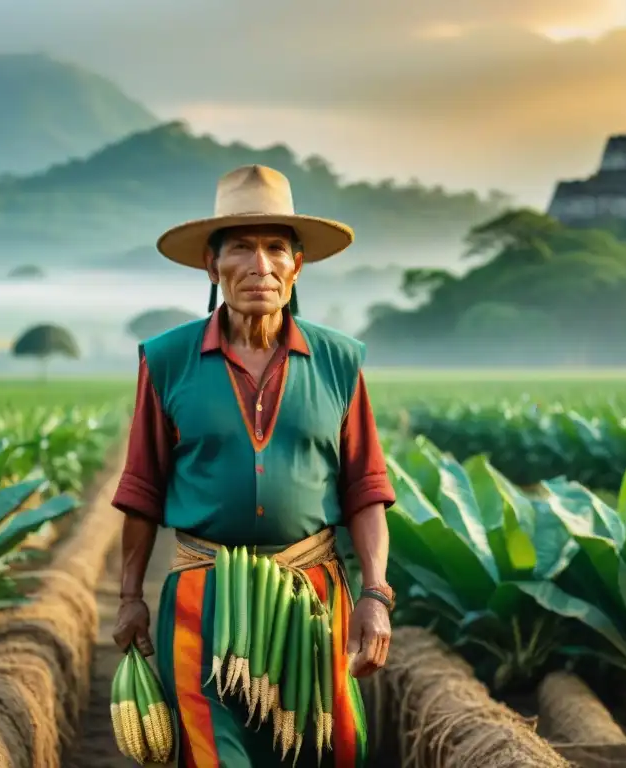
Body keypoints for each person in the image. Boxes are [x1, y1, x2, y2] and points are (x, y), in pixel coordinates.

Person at [111, 164, 396, 767]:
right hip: (201, 598)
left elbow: (365, 489)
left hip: (312, 598)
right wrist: (129, 596)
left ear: (298, 265)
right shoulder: (167, 362)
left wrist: (375, 593)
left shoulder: (339, 362)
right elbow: (141, 488)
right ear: (211, 265)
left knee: (324, 751)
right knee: (212, 753)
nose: (259, 265)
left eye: (275, 248)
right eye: (240, 247)